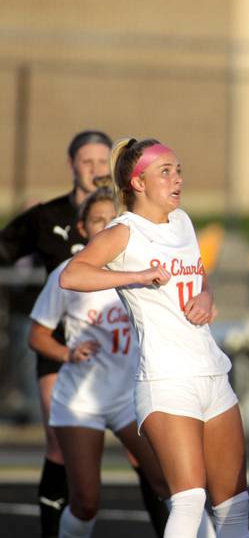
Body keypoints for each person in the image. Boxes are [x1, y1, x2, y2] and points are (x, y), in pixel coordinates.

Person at [60, 138, 249, 538]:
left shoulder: (182, 222)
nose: (177, 179)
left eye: (178, 170)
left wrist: (206, 294)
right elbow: (72, 274)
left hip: (213, 374)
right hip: (166, 382)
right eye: (165, 172)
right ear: (138, 182)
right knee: (188, 499)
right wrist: (135, 276)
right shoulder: (124, 232)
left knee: (235, 508)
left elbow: (199, 274)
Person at [0, 130, 168, 537]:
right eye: (96, 221)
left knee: (167, 481)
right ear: (82, 228)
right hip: (79, 393)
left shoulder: (140, 261)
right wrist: (66, 353)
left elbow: (184, 286)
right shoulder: (65, 268)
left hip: (128, 394)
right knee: (85, 498)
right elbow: (37, 333)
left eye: (110, 220)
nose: (94, 169)